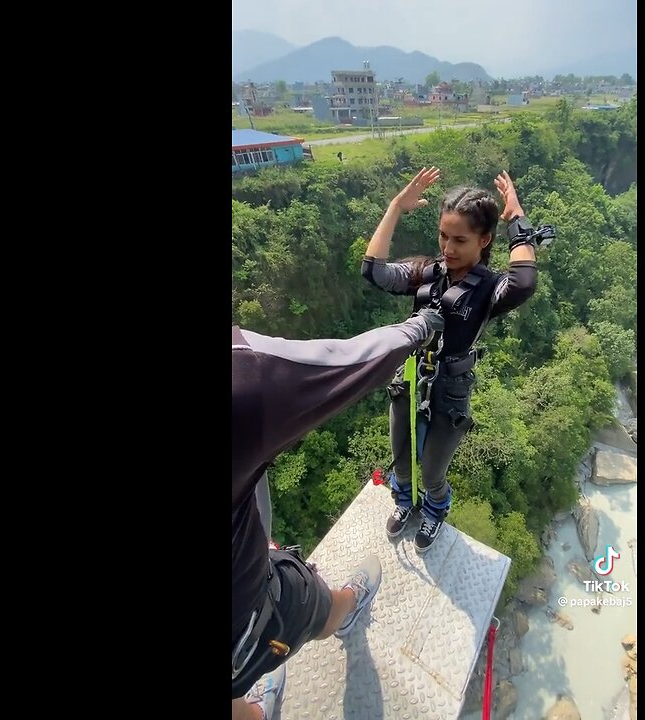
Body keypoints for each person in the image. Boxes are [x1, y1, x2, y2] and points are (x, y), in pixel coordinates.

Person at [232, 310, 445, 720]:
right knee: (315, 605)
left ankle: (254, 711)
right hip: (245, 609)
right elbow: (344, 360)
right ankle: (344, 610)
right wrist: (415, 329)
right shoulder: (242, 375)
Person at [360, 167, 541, 553]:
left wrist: (516, 218)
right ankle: (404, 503)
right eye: (444, 235)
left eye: (460, 239)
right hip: (409, 378)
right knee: (403, 458)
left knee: (432, 470)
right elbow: (373, 272)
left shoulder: (490, 288)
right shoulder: (427, 272)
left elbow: (524, 283)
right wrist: (395, 206)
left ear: (484, 240)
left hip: (451, 389)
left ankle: (434, 511)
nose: (448, 247)